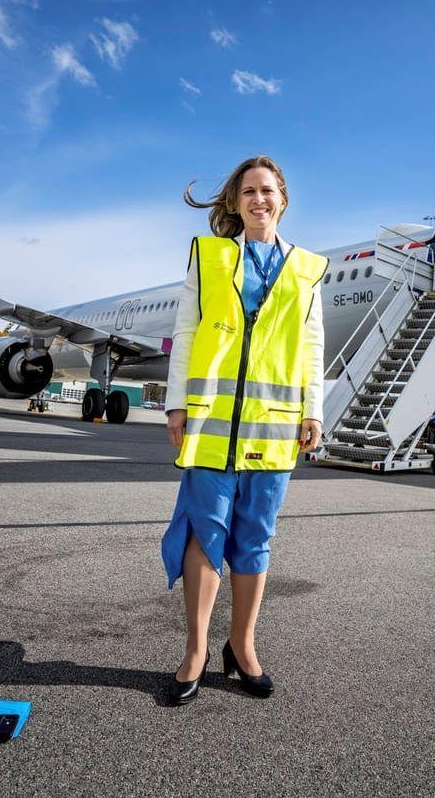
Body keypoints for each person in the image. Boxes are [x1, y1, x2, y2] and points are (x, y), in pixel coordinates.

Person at [161, 155, 328, 705]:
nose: (259, 199)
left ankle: (243, 644)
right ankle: (195, 649)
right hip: (211, 422)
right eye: (249, 191)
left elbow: (311, 347)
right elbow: (186, 334)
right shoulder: (209, 258)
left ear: (283, 198)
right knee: (204, 536)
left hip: (273, 428)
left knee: (255, 537)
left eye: (268, 190)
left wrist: (313, 411)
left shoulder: (307, 268)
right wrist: (175, 406)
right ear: (234, 202)